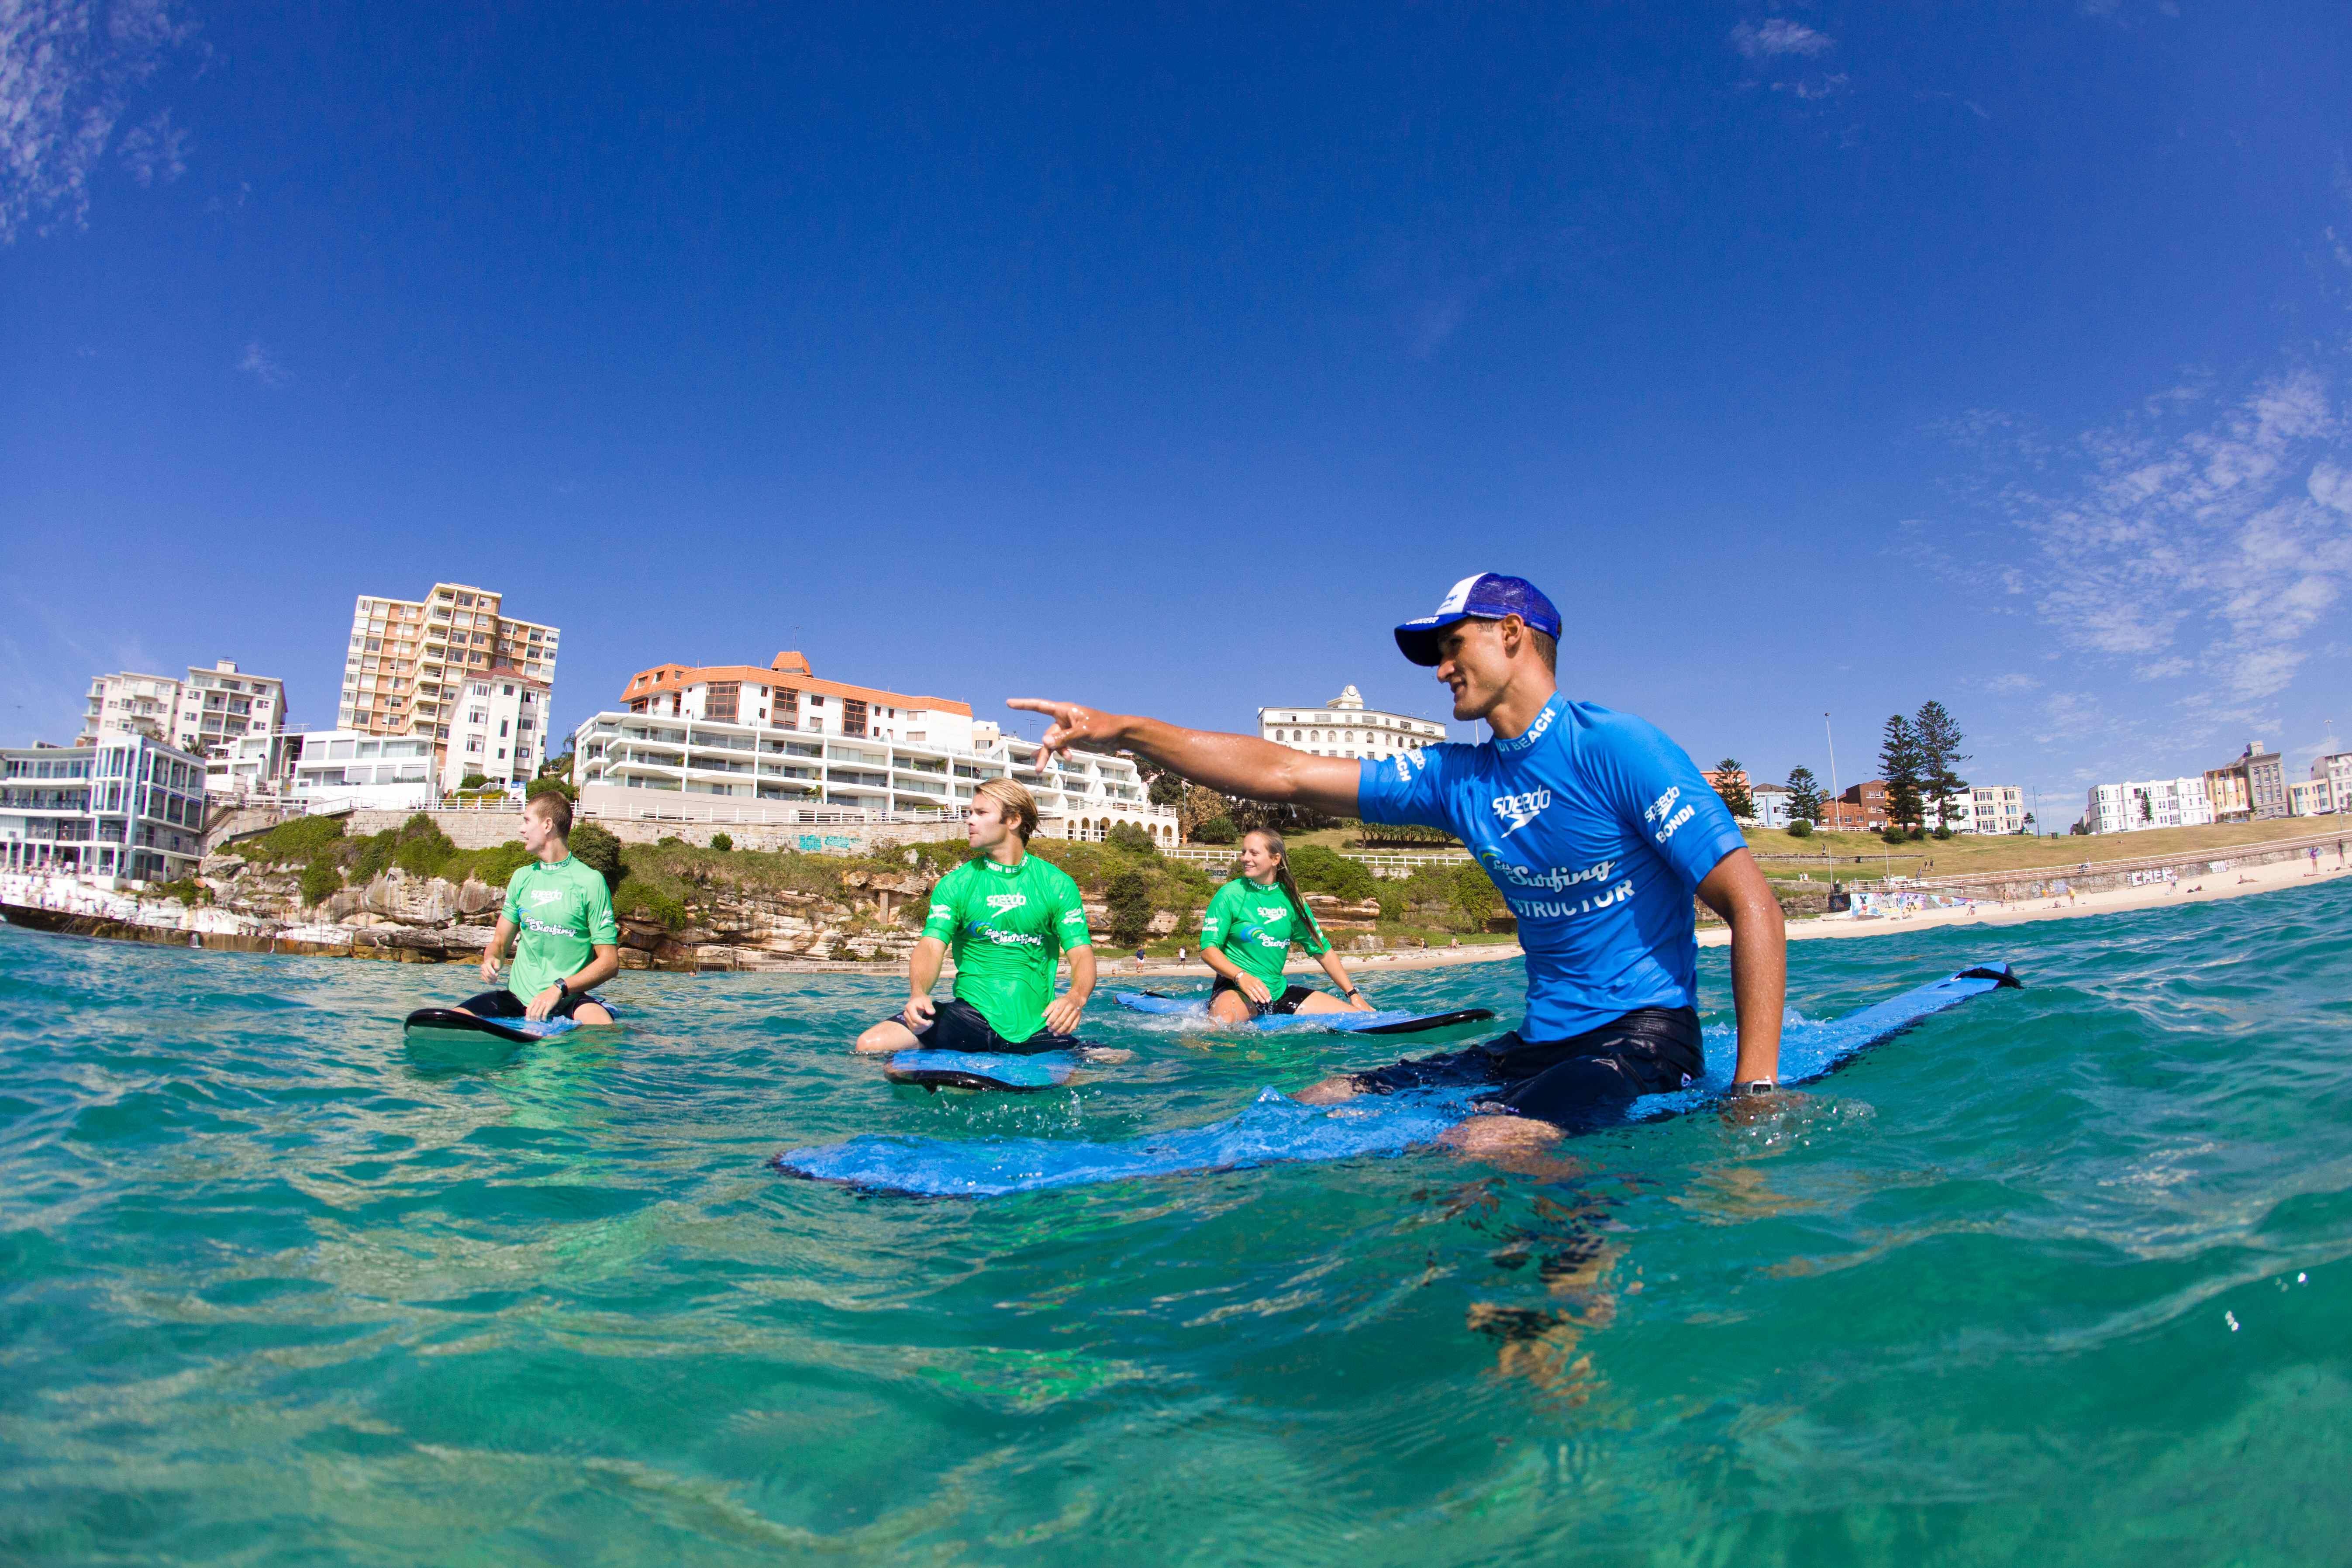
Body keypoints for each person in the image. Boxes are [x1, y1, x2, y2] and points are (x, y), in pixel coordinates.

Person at [1012, 572, 1786, 1158]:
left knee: (1483, 1144)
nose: (1440, 668)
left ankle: (1561, 1321)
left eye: (1454, 646)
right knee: (1325, 1094)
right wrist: (1126, 731)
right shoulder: (1460, 779)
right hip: (1540, 1040)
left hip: (1642, 1037)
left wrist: (1754, 1089)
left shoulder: (1616, 747)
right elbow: (1284, 772)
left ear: (1513, 633)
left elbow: (1752, 906)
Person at [854, 779, 1098, 1057]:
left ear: (1014, 820)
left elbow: (1081, 954)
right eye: (971, 813)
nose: (969, 821)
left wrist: (1076, 997)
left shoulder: (1056, 884)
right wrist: (919, 993)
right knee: (870, 1045)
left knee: (1115, 1061)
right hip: (968, 1017)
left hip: (1036, 1023)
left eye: (981, 813)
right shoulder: (956, 884)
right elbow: (932, 946)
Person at [460, 792, 620, 1026]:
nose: (521, 830)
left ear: (547, 825)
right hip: (517, 999)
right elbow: (500, 942)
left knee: (605, 1029)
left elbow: (610, 962)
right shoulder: (522, 878)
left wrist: (560, 988)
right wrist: (492, 960)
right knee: (451, 1019)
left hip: (568, 1001)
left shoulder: (590, 882)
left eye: (527, 821)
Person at [1199, 827, 1375, 1024]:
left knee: (1357, 1018)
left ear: (1275, 860)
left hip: (1277, 992)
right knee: (1223, 1025)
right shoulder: (1230, 895)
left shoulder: (1291, 900)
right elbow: (1208, 950)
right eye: (1244, 852)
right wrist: (1241, 976)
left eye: (1254, 853)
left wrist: (1353, 994)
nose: (1245, 858)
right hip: (1236, 989)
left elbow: (1322, 950)